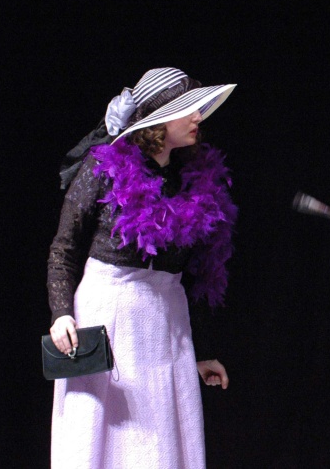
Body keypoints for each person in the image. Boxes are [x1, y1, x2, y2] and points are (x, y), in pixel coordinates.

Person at [47, 67, 238, 468]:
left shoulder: (193, 178)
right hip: (109, 316)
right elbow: (64, 248)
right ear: (159, 120)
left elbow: (196, 276)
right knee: (102, 438)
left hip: (167, 322)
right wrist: (61, 314)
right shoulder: (103, 169)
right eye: (187, 109)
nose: (198, 117)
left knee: (161, 445)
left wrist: (202, 353)